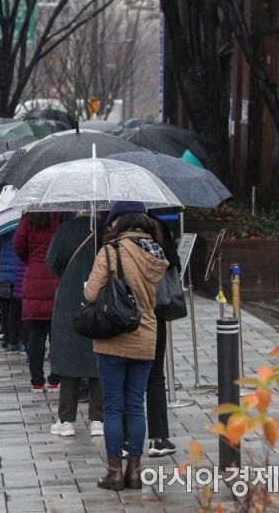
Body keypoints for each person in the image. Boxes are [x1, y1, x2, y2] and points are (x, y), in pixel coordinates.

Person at [86, 202, 169, 491]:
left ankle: (114, 472)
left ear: (119, 222)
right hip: (145, 335)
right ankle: (135, 472)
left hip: (113, 337)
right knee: (135, 406)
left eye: (112, 222)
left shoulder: (110, 252)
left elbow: (91, 293)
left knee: (112, 407)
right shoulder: (157, 252)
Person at [46, 212, 104, 438]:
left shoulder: (65, 230)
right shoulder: (106, 230)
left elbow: (52, 262)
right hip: (99, 298)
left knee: (69, 356)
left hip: (70, 298)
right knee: (98, 353)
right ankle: (98, 419)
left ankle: (66, 420)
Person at [145, 212, 181, 457]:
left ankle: (125, 442)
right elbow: (174, 265)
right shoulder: (159, 230)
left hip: (123, 317)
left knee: (126, 381)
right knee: (156, 376)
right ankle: (158, 439)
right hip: (155, 315)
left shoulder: (113, 237)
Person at [14, 213, 62, 392]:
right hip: (56, 276)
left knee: (36, 333)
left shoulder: (29, 218)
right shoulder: (60, 216)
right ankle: (55, 379)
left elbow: (18, 244)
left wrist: (31, 258)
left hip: (34, 275)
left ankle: (37, 380)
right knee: (56, 334)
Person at [0, 230, 23, 352]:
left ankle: (8, 339)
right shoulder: (22, 227)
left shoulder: (3, 228)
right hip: (18, 274)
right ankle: (15, 339)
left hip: (3, 274)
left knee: (6, 310)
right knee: (16, 310)